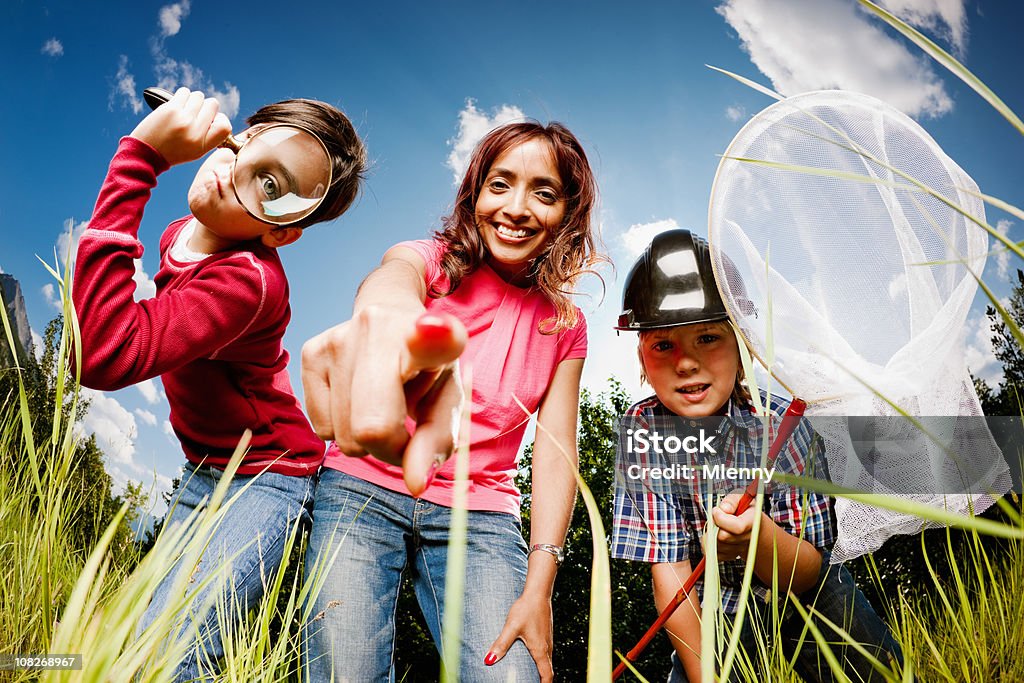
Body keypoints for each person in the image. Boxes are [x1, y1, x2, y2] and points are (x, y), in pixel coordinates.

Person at [72, 86, 367, 681]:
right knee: (129, 636)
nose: (240, 173)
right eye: (251, 144)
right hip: (206, 468)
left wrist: (141, 158)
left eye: (272, 187)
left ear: (281, 233)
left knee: (170, 652)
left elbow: (105, 351)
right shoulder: (183, 232)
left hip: (267, 480)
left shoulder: (251, 283)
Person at [300, 120, 605, 681]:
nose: (516, 208)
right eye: (500, 184)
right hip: (362, 487)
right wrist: (390, 317)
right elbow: (392, 280)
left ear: (569, 213)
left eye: (544, 192)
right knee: (343, 668)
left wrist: (540, 584)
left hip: (480, 515)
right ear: (475, 193)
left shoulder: (566, 325)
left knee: (508, 673)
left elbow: (556, 450)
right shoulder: (430, 260)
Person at [610, 229, 903, 682]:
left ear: (744, 342)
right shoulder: (642, 433)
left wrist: (757, 541)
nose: (686, 362)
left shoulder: (784, 423)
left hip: (809, 596)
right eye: (663, 345)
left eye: (707, 338)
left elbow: (811, 571)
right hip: (715, 614)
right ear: (641, 357)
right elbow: (670, 575)